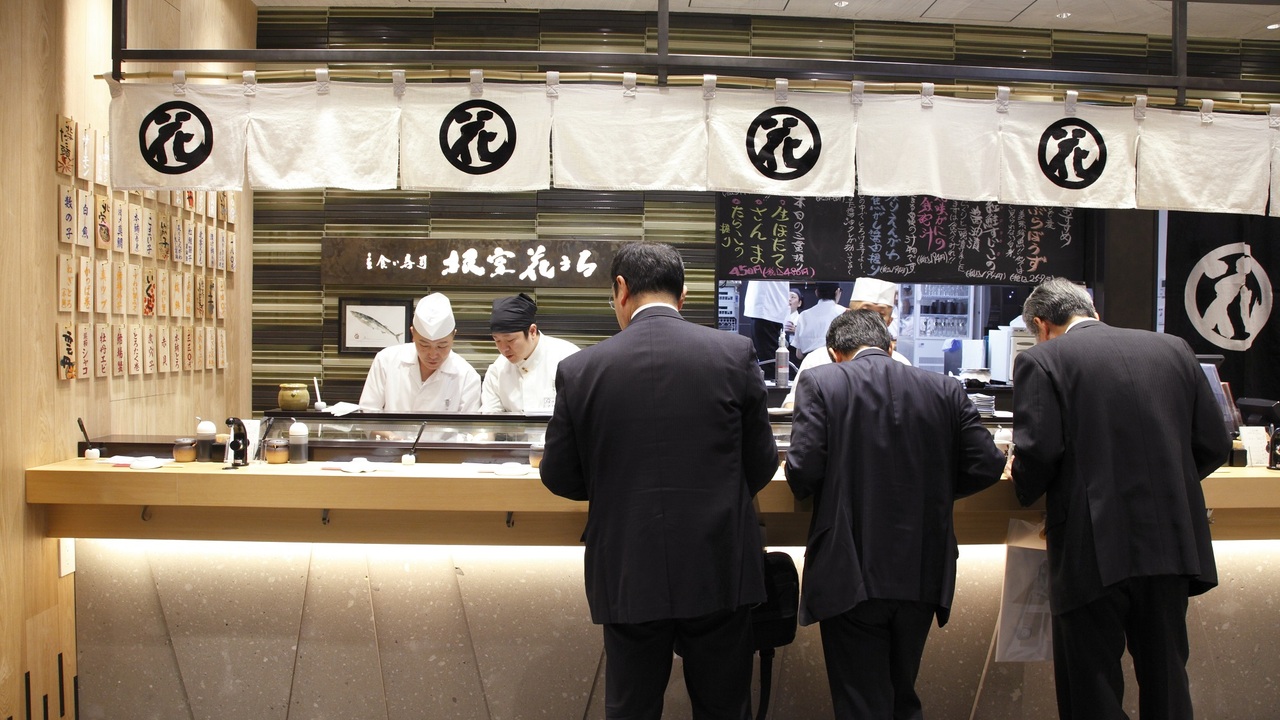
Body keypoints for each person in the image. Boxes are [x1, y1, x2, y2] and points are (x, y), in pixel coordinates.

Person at [540, 242, 779, 720]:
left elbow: (559, 474)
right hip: (719, 566)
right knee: (725, 708)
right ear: (683, 296)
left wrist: (616, 487)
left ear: (621, 290)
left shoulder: (581, 369)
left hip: (629, 566)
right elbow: (762, 462)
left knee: (631, 709)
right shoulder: (734, 354)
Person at [1010, 277, 1231, 720]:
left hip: (1092, 545)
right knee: (1168, 677)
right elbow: (1214, 443)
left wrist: (1023, 482)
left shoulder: (1043, 359)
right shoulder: (1173, 348)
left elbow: (1040, 452)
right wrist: (1171, 485)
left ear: (1041, 324)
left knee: (1092, 684)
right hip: (1170, 539)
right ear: (1088, 309)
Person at [785, 309, 1005, 719]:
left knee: (861, 702)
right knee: (902, 693)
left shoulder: (821, 380)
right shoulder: (945, 388)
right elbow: (988, 464)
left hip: (850, 568)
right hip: (923, 568)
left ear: (835, 353)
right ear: (891, 346)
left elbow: (803, 470)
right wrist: (935, 490)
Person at [782, 276, 909, 408]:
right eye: (865, 312)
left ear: (889, 321)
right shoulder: (818, 359)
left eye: (881, 315)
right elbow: (792, 404)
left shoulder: (902, 364)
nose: (873, 321)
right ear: (850, 313)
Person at [358, 292, 481, 412]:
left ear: (453, 336)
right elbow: (368, 412)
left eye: (442, 346)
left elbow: (470, 429)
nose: (433, 355)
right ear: (412, 334)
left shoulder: (467, 376)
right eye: (424, 345)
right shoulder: (386, 360)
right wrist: (391, 434)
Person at [480, 293, 579, 414]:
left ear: (532, 331)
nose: (503, 349)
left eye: (510, 340)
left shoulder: (568, 358)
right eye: (497, 340)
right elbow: (490, 420)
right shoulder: (497, 371)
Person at [742, 280, 791, 379]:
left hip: (766, 309)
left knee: (768, 362)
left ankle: (772, 392)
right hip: (770, 309)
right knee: (769, 359)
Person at [790, 283, 845, 359]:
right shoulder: (844, 313)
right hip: (835, 364)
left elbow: (799, 355)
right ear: (837, 291)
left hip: (809, 365)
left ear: (816, 292)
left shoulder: (804, 315)